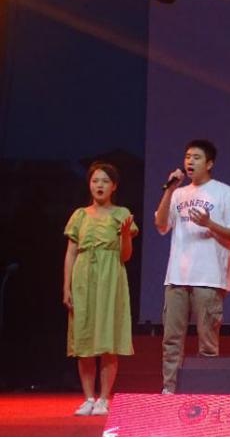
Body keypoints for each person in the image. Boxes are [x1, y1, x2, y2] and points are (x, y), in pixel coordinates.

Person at [153, 139, 230, 394]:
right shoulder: (178, 193)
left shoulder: (224, 192)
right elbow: (161, 225)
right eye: (187, 157)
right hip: (177, 277)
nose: (190, 161)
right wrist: (169, 190)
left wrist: (209, 224)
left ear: (209, 163)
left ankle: (205, 391)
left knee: (207, 342)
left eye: (196, 157)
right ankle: (169, 390)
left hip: (210, 278)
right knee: (171, 339)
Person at [62, 162, 139, 416]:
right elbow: (71, 252)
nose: (99, 185)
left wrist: (125, 235)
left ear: (114, 186)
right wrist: (66, 286)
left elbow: (125, 256)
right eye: (95, 180)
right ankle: (88, 398)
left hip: (110, 278)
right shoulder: (80, 215)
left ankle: (104, 398)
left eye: (105, 181)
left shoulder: (122, 213)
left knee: (107, 340)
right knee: (83, 339)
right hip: (83, 278)